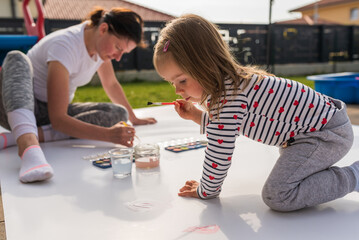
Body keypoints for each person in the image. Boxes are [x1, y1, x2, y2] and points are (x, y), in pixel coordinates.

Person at [153, 14, 359, 212]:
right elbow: (228, 125)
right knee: (285, 184)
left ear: (205, 65)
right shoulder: (233, 86)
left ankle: (355, 176)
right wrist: (196, 116)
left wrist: (205, 190)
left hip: (324, 135)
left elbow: (219, 152)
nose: (178, 91)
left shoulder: (228, 97)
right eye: (172, 83)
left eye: (182, 80)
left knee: (278, 195)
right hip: (317, 130)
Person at [0, 7, 156, 183]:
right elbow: (58, 119)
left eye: (123, 53)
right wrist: (108, 135)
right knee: (16, 58)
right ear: (103, 29)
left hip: (47, 116)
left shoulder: (101, 51)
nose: (118, 57)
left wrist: (133, 117)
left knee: (119, 114)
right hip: (16, 108)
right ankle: (28, 146)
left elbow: (111, 84)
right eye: (118, 48)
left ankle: (18, 136)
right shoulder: (65, 45)